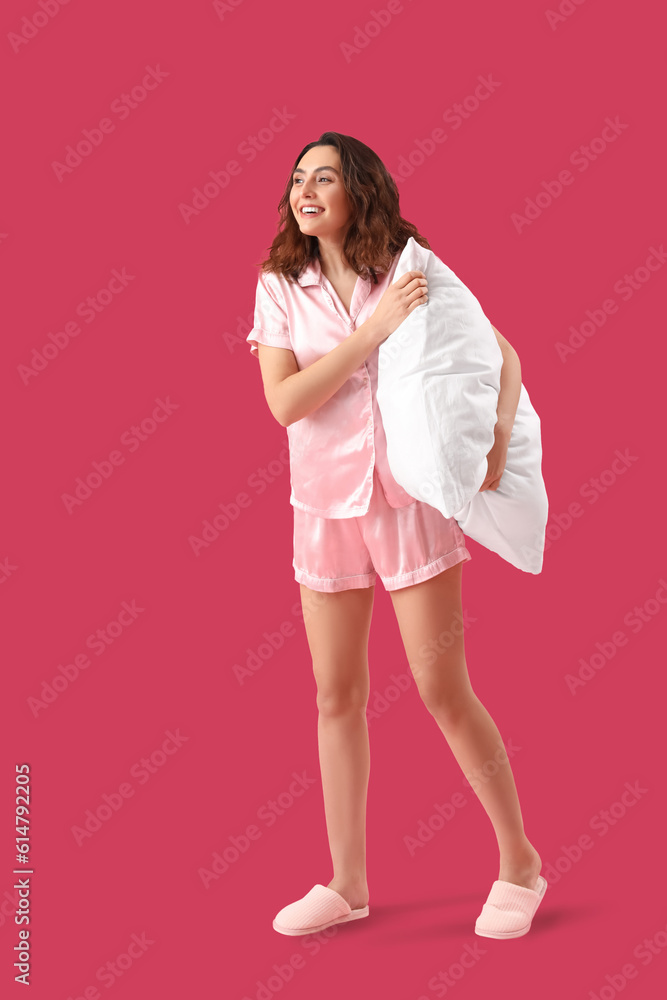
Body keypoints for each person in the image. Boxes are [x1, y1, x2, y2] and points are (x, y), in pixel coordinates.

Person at [246, 131, 547, 940]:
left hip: (406, 502)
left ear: (360, 191)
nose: (306, 190)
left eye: (325, 177)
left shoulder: (410, 267)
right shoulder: (280, 285)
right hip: (323, 507)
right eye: (297, 178)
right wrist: (372, 333)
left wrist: (491, 441)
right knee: (334, 695)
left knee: (440, 689)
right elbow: (285, 402)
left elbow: (501, 354)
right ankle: (347, 884)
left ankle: (520, 863)